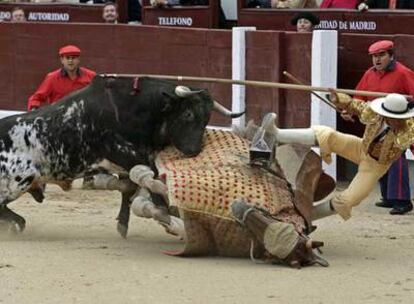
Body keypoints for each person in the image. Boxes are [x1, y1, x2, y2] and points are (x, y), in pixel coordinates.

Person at [257, 92, 414, 222]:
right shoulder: (375, 113)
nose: (392, 120)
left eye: (396, 118)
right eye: (388, 116)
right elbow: (355, 105)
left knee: (349, 199)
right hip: (361, 148)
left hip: (375, 166)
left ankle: (306, 217)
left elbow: (405, 138)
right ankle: (277, 134)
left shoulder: (409, 129)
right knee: (327, 135)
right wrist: (337, 98)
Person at [343, 40, 414, 215]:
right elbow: (359, 98)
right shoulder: (369, 74)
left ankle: (403, 201)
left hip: (402, 121)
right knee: (378, 154)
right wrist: (349, 110)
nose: (377, 60)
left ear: (391, 56)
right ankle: (390, 197)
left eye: (381, 55)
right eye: (374, 56)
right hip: (378, 123)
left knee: (395, 156)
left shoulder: (403, 73)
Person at [27, 45, 96, 111]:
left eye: (73, 58)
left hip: (83, 117)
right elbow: (36, 98)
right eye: (67, 58)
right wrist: (34, 109)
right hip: (59, 117)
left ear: (78, 60)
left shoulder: (91, 76)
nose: (70, 61)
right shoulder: (52, 78)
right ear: (62, 60)